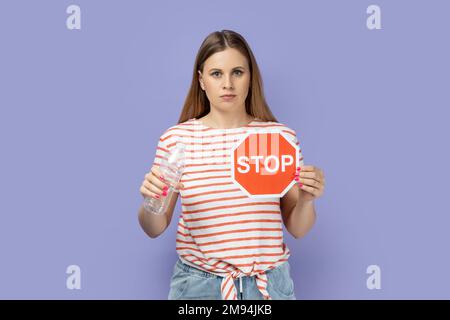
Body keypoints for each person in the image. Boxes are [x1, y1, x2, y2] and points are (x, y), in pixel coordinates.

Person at [138, 30, 325, 300]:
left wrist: (307, 200)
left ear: (251, 77)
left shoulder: (278, 138)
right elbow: (153, 228)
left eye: (237, 72)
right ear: (201, 80)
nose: (228, 83)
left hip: (268, 287)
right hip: (198, 288)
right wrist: (149, 201)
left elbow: (298, 228)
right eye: (216, 74)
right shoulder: (177, 140)